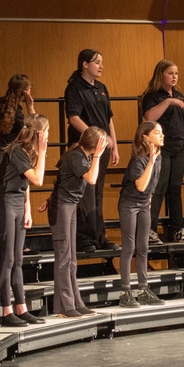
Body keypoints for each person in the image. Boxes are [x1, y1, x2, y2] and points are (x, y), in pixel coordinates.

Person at [44, 127, 107, 317]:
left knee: (71, 259)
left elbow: (62, 181)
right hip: (62, 207)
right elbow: (92, 179)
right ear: (96, 144)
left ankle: (75, 302)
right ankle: (65, 306)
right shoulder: (76, 156)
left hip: (69, 205)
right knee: (64, 257)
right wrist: (98, 156)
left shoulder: (82, 156)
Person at [0, 113, 49, 327]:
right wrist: (43, 153)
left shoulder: (27, 151)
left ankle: (21, 307)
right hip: (6, 203)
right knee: (7, 260)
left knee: (18, 260)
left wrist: (28, 210)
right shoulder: (17, 150)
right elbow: (37, 179)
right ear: (39, 134)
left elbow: (25, 184)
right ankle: (6, 311)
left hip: (18, 202)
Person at [64, 49, 119, 253]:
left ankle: (99, 237)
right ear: (85, 64)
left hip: (102, 146)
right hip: (85, 148)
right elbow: (74, 118)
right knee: (85, 193)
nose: (101, 66)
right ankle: (84, 238)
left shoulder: (102, 87)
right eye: (97, 62)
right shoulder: (75, 88)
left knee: (97, 193)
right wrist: (96, 136)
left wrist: (114, 145)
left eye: (102, 62)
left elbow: (109, 118)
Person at [142, 60, 184, 244]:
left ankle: (178, 229)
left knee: (175, 189)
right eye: (170, 73)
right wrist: (169, 101)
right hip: (161, 148)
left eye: (176, 74)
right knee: (158, 188)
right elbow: (149, 117)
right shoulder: (152, 96)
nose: (174, 77)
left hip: (178, 148)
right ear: (161, 75)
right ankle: (150, 230)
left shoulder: (180, 96)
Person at [117, 122, 166, 308]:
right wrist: (151, 162)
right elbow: (141, 185)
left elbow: (152, 186)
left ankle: (143, 290)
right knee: (129, 247)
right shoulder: (138, 160)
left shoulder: (159, 157)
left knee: (143, 247)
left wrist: (149, 200)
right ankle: (125, 293)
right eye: (157, 132)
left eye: (162, 132)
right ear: (145, 137)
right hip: (129, 205)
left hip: (145, 205)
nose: (162, 135)